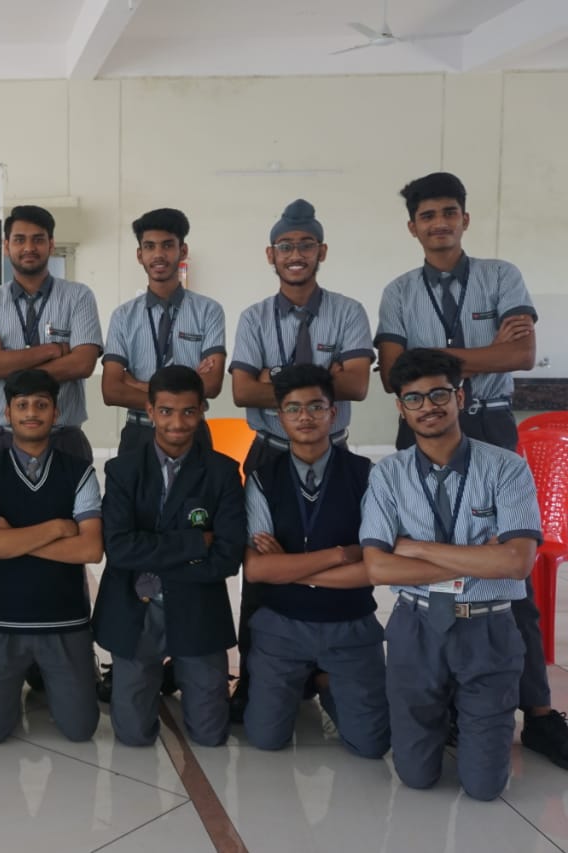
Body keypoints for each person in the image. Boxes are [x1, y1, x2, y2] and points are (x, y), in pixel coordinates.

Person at [375, 172, 567, 769]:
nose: (439, 223)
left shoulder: (500, 276)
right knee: (424, 565)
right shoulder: (399, 292)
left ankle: (539, 712)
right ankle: (449, 698)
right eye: (427, 215)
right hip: (422, 427)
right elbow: (394, 376)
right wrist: (479, 357)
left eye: (448, 212)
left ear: (465, 218)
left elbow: (522, 354)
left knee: (512, 577)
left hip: (489, 425)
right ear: (412, 227)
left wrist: (430, 363)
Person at [360, 348, 542, 800]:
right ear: (401, 408)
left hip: (488, 624)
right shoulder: (388, 475)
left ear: (460, 397)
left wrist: (417, 548)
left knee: (484, 788)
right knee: (416, 777)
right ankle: (441, 724)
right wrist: (480, 556)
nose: (428, 406)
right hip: (416, 625)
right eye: (414, 398)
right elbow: (378, 567)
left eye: (439, 394)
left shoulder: (507, 467)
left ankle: (472, 727)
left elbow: (516, 563)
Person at [227, 198, 374, 720]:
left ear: (321, 251)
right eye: (285, 246)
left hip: (333, 452)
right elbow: (242, 391)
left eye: (305, 245)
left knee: (338, 548)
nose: (295, 254)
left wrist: (276, 378)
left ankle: (326, 667)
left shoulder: (348, 312)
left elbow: (357, 385)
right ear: (271, 254)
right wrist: (318, 380)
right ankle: (256, 678)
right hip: (268, 452)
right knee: (261, 569)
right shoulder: (253, 317)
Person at [92, 365, 246, 748]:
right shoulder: (123, 470)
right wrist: (194, 544)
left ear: (202, 409)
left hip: (196, 605)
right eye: (166, 411)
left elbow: (227, 557)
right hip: (136, 605)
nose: (177, 423)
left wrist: (155, 552)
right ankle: (158, 672)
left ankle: (182, 672)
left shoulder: (223, 472)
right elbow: (119, 548)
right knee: (133, 736)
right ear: (149, 411)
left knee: (211, 735)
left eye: (188, 411)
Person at [241, 364, 389, 758]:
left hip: (350, 623)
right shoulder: (261, 478)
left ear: (333, 413)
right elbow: (257, 569)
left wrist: (289, 569)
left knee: (372, 745)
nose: (304, 416)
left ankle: (323, 680)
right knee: (266, 739)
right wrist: (340, 554)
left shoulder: (367, 476)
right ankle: (307, 675)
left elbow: (374, 567)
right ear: (279, 416)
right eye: (293, 408)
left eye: (316, 406)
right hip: (282, 625)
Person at [0, 369, 102, 744]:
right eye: (22, 405)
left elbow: (91, 550)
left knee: (80, 730)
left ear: (55, 413)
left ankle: (43, 680)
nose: (31, 413)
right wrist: (58, 527)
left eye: (41, 405)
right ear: (7, 413)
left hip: (65, 618)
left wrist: (13, 537)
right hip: (2, 618)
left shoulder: (79, 471)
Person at [0, 205, 102, 461]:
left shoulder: (78, 296)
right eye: (19, 240)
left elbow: (83, 363)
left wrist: (4, 361)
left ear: (51, 244)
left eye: (38, 239)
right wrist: (52, 350)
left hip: (63, 438)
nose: (29, 247)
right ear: (6, 246)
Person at [102, 208, 225, 454]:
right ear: (140, 255)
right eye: (150, 246)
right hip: (139, 432)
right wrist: (185, 394)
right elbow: (111, 390)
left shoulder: (208, 311)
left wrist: (136, 384)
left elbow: (211, 385)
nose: (158, 254)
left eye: (167, 245)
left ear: (183, 251)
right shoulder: (123, 316)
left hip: (191, 432)